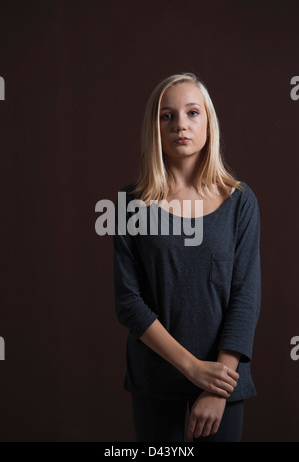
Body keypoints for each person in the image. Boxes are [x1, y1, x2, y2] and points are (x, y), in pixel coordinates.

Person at [112, 72, 261, 442]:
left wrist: (216, 387)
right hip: (156, 385)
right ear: (154, 127)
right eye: (167, 115)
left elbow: (246, 297)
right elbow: (129, 303)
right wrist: (193, 369)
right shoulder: (129, 204)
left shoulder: (240, 201)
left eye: (193, 112)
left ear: (208, 122)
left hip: (222, 387)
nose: (181, 124)